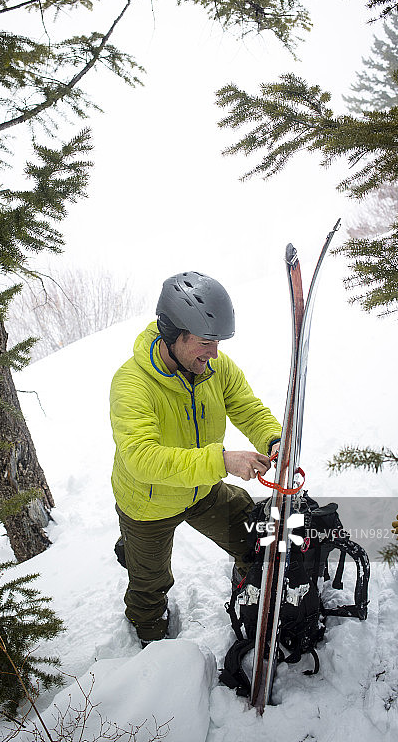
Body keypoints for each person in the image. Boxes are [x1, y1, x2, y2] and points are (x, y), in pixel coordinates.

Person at [110, 271, 282, 646]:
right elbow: (142, 458)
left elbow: (246, 407)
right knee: (149, 589)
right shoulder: (132, 384)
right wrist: (222, 462)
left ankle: (253, 599)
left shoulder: (212, 367)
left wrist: (272, 439)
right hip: (149, 504)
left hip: (202, 491)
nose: (215, 353)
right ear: (176, 335)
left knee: (255, 540)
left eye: (217, 342)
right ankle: (148, 644)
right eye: (206, 342)